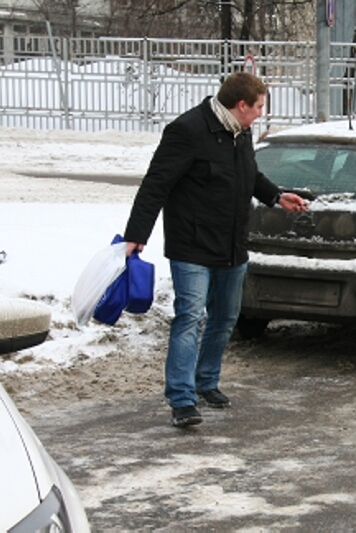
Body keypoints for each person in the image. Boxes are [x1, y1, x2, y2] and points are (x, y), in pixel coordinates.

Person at [123, 72, 308, 428]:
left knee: (224, 318)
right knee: (190, 317)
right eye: (258, 109)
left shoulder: (241, 131)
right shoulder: (188, 131)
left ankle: (206, 382)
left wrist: (275, 195)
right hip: (191, 245)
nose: (260, 115)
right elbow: (156, 184)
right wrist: (137, 234)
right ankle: (181, 399)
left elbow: (249, 175)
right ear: (241, 106)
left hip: (232, 243)